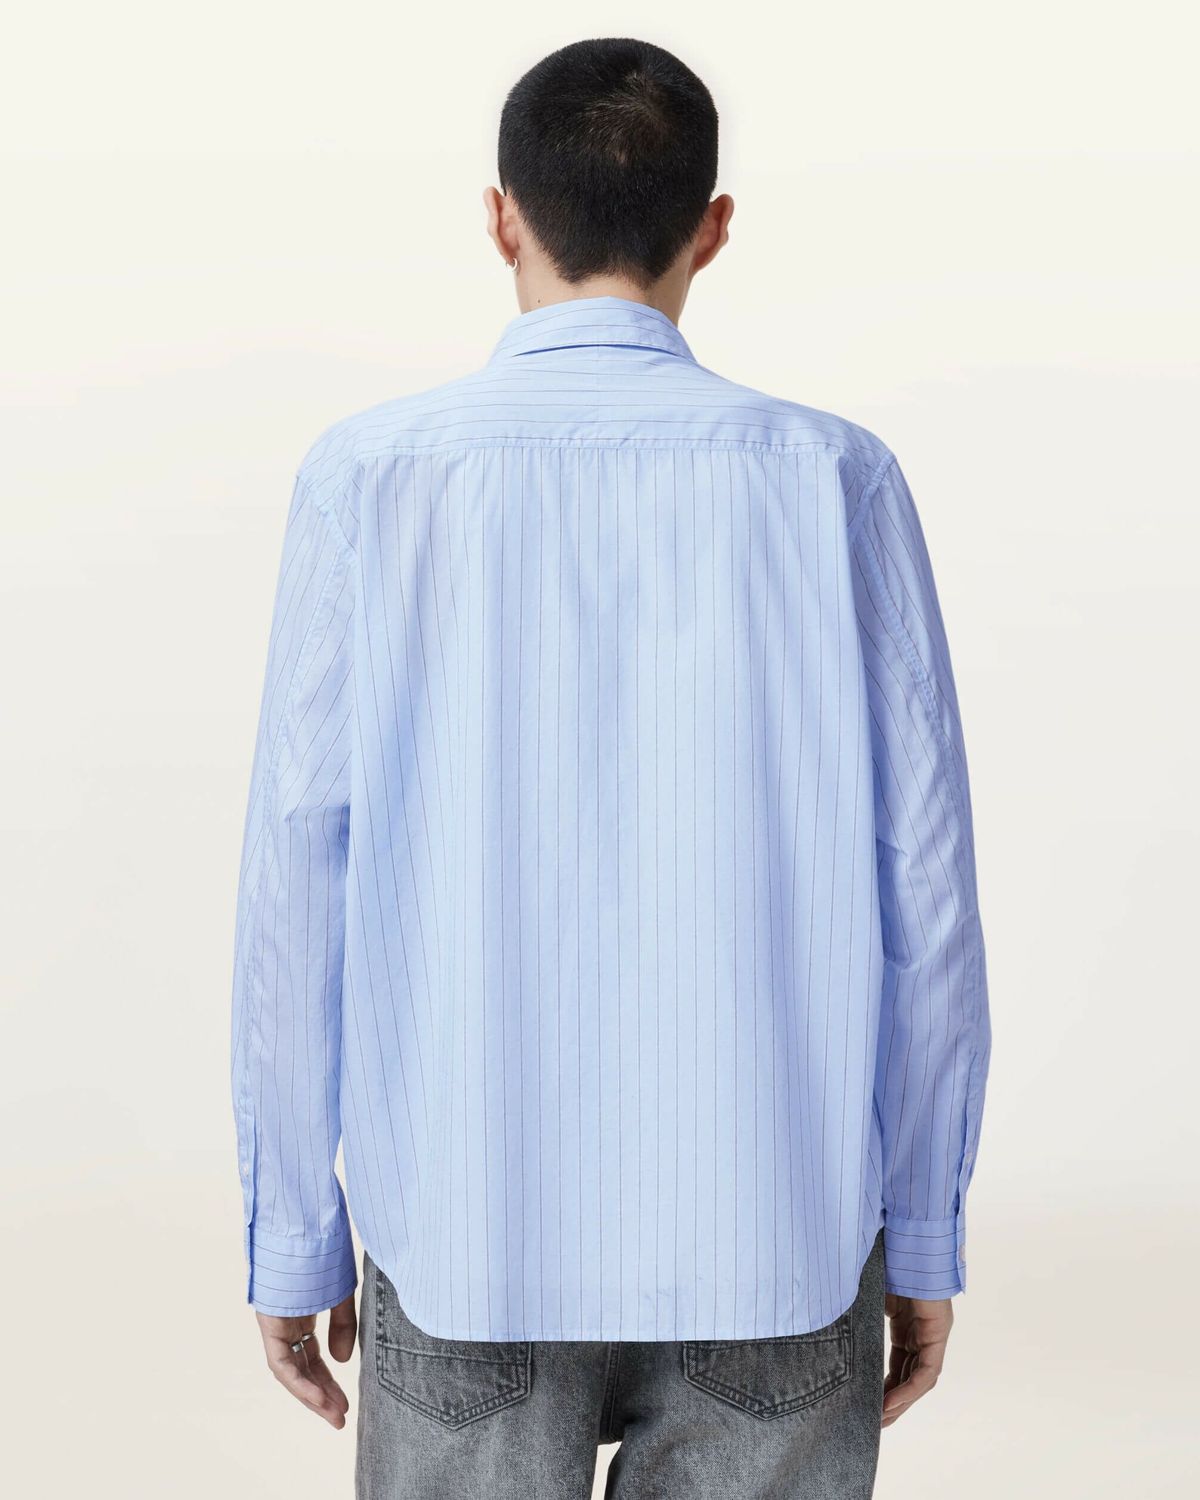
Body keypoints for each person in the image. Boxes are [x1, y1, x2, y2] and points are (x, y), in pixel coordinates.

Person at [229, 35, 992, 1499]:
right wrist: (924, 1232)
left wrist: (293, 1239)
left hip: (465, 1233)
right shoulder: (836, 478)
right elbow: (929, 899)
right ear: (714, 227)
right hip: (779, 1238)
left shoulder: (371, 477)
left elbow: (298, 882)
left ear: (500, 216)